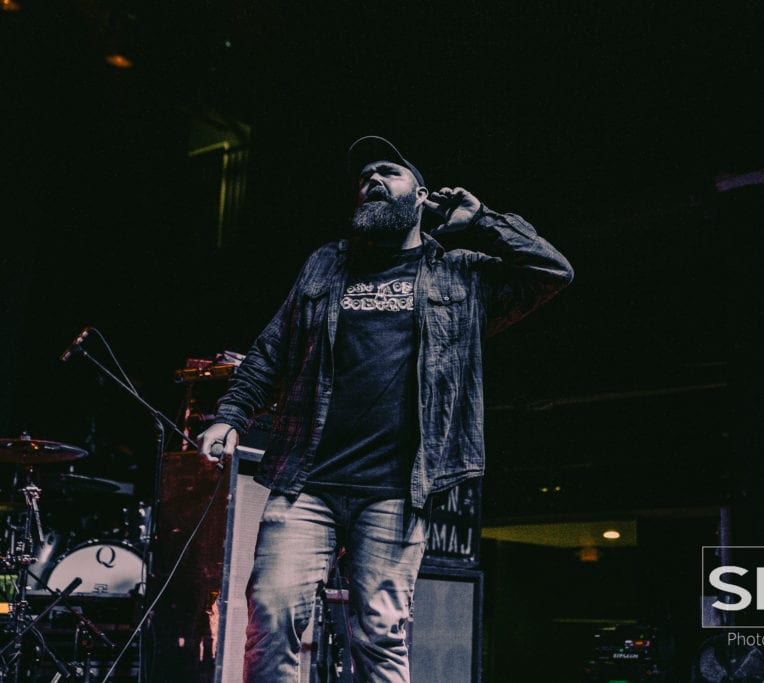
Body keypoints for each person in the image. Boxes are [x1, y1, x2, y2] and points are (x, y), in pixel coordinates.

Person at [196, 135, 573, 681]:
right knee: (271, 614)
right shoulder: (326, 263)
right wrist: (230, 415)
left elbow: (553, 272)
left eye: (388, 172)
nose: (372, 179)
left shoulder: (460, 272)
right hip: (307, 481)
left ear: (421, 196)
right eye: (364, 176)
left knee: (380, 633)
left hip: (395, 489)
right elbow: (272, 349)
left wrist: (483, 220)